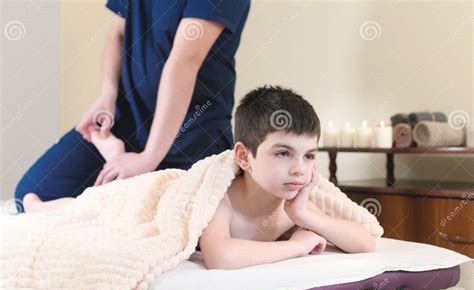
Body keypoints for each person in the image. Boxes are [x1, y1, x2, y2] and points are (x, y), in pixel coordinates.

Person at [22, 85, 376, 270]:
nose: (300, 169)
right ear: (243, 156)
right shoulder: (219, 197)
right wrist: (295, 246)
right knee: (101, 207)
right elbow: (221, 256)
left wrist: (306, 217)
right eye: (283, 153)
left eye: (309, 155)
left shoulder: (294, 203)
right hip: (161, 195)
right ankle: (42, 208)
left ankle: (113, 153)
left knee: (111, 198)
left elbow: (366, 242)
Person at [14, 0, 251, 212]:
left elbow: (184, 63)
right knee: (30, 194)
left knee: (161, 225)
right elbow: (117, 35)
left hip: (188, 140)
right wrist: (106, 96)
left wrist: (148, 158)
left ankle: (97, 204)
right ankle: (109, 171)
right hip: (125, 122)